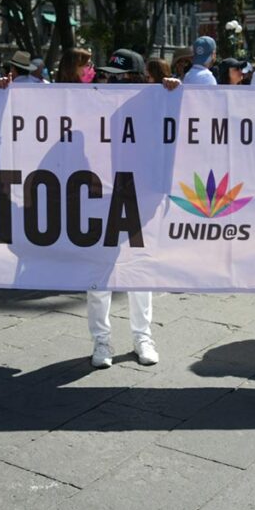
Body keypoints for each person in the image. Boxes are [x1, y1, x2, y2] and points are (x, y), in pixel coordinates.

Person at [87, 48, 180, 368]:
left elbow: (187, 126)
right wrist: (6, 90)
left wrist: (173, 95)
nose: (110, 82)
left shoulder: (155, 102)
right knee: (98, 273)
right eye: (106, 75)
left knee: (140, 270)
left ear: (138, 78)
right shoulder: (93, 99)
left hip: (142, 194)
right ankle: (101, 340)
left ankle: (142, 336)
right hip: (100, 194)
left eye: (119, 77)